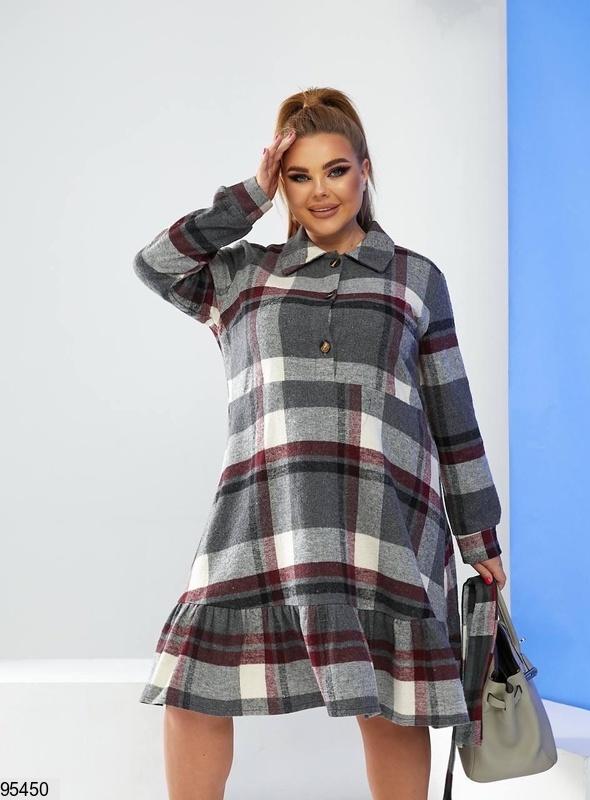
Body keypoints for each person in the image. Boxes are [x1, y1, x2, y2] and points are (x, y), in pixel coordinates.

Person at [133, 86, 507, 800]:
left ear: (365, 169)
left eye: (335, 170)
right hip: (262, 518)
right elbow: (156, 263)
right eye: (297, 176)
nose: (320, 191)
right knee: (193, 689)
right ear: (281, 184)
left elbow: (451, 413)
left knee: (391, 704)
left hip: (385, 520)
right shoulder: (243, 275)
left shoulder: (416, 279)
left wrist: (478, 537)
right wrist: (248, 197)